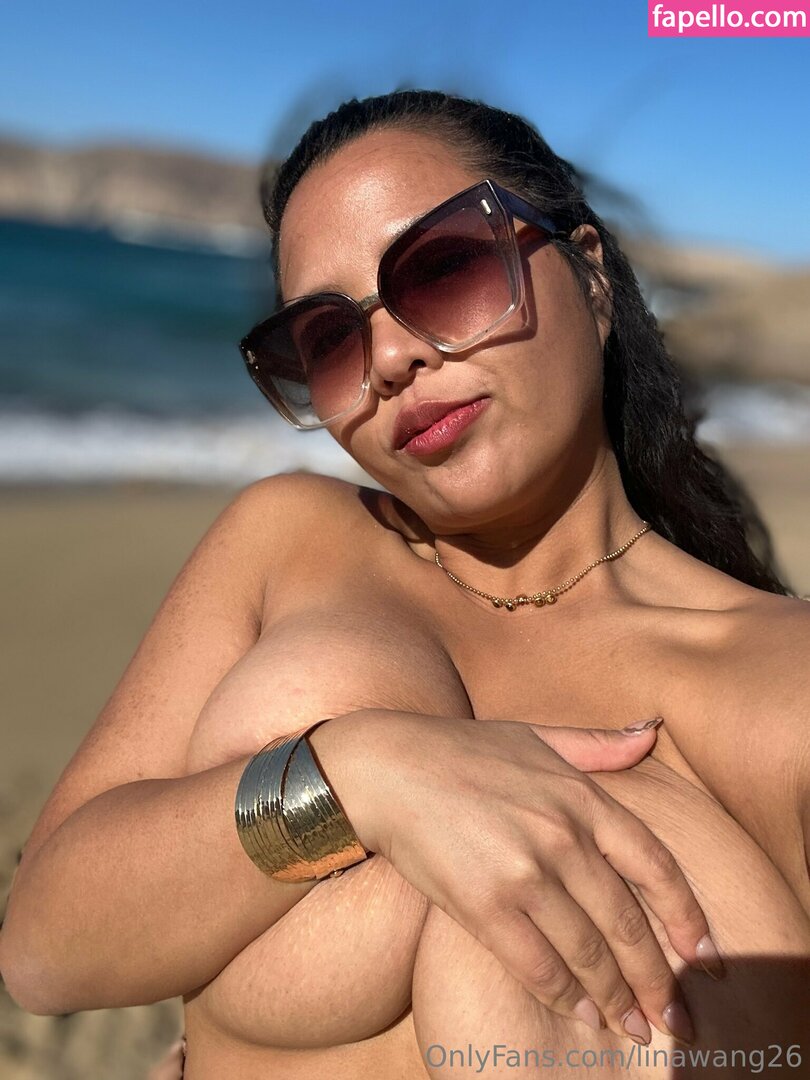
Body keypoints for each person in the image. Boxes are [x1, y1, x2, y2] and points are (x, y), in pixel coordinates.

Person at [1, 90, 808, 1080]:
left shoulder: (784, 686)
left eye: (445, 268)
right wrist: (359, 777)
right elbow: (44, 945)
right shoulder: (291, 540)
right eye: (328, 339)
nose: (387, 359)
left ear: (592, 279)